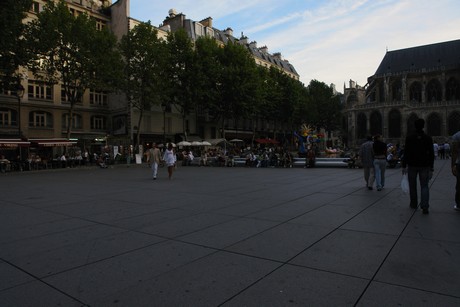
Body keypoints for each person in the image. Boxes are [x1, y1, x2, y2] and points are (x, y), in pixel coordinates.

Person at [401, 118, 434, 214]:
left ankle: (413, 204)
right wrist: (431, 167)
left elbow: (406, 152)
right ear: (423, 126)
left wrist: (404, 165)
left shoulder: (409, 138)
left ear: (414, 126)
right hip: (425, 165)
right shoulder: (428, 138)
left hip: (412, 165)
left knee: (413, 186)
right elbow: (431, 154)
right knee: (424, 186)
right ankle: (425, 206)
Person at [451, 130, 460, 211]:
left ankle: (459, 204)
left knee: (459, 184)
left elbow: (455, 152)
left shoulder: (457, 135)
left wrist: (453, 165)